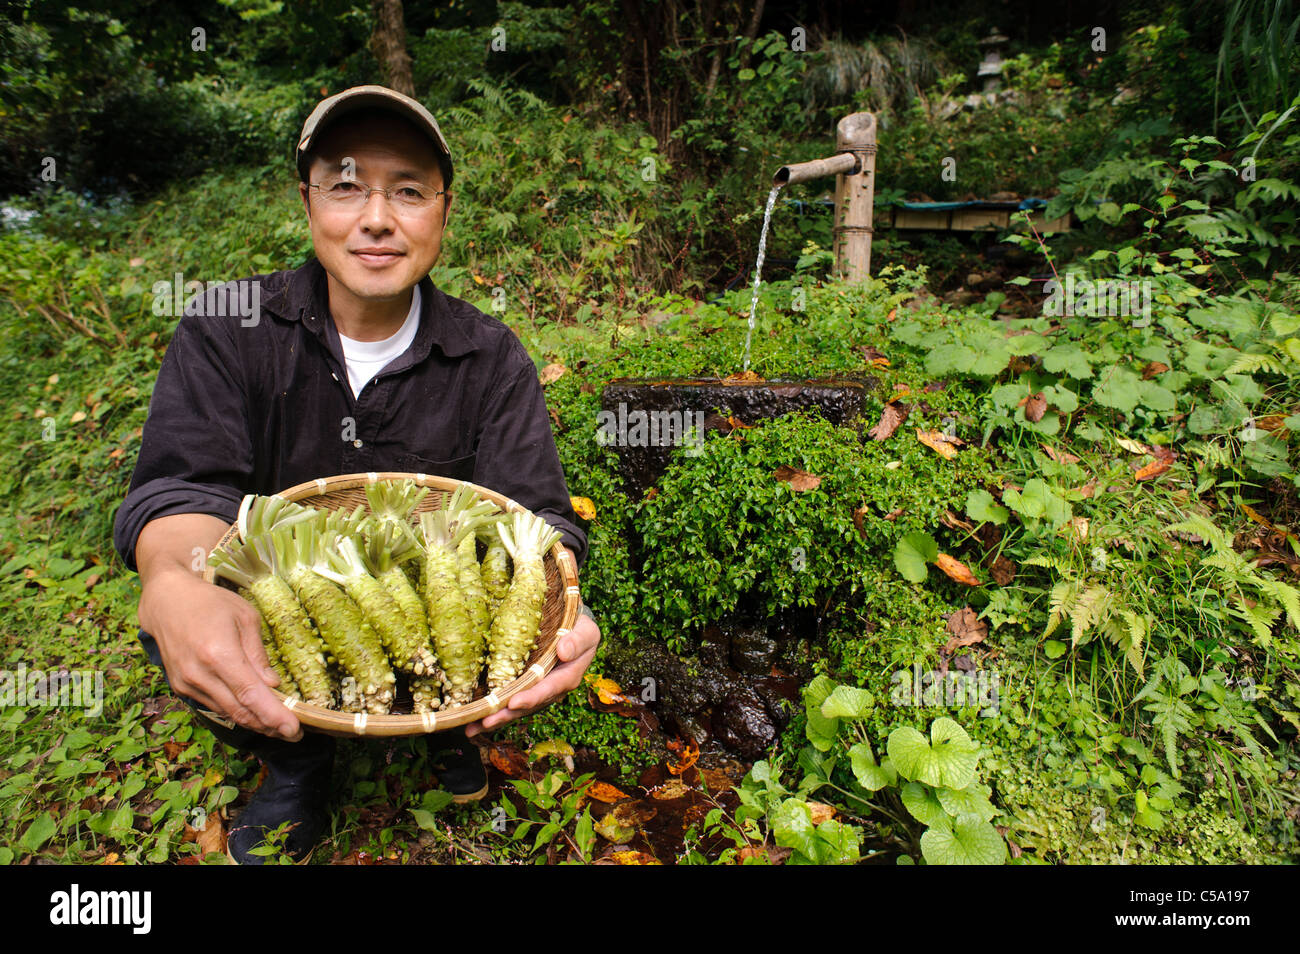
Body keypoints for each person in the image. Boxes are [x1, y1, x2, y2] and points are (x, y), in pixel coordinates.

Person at [111, 85, 601, 864]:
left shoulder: (490, 356)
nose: (377, 217)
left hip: (458, 630)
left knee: (510, 618)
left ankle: (450, 723)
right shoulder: (225, 327)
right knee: (170, 606)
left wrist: (568, 608)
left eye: (408, 190)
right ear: (306, 202)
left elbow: (538, 517)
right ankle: (298, 763)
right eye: (345, 184)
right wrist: (174, 580)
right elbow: (183, 489)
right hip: (274, 612)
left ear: (443, 209)